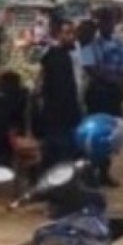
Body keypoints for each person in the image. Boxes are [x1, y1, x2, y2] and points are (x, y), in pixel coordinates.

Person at [80, 9, 123, 187]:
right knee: (94, 132)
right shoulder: (90, 45)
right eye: (104, 22)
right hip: (98, 93)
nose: (108, 25)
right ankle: (91, 170)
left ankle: (104, 171)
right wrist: (113, 81)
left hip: (114, 94)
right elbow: (91, 69)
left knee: (110, 134)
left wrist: (121, 82)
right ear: (99, 24)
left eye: (110, 22)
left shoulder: (120, 44)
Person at [37, 17, 84, 171]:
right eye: (67, 33)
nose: (72, 37)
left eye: (72, 33)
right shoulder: (56, 57)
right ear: (57, 34)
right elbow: (59, 90)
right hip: (59, 115)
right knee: (60, 155)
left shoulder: (62, 56)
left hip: (62, 115)